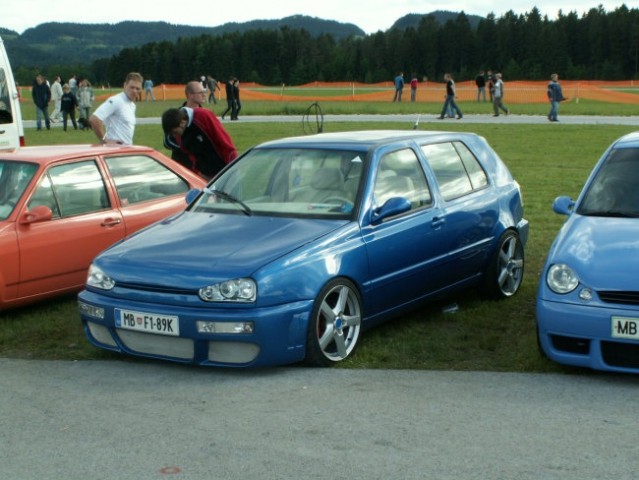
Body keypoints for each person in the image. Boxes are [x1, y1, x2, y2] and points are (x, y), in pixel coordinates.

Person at [161, 106, 238, 179]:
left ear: (182, 123)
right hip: (205, 175)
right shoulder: (179, 136)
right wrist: (197, 173)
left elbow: (224, 141)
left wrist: (232, 167)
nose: (175, 136)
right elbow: (191, 155)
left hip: (226, 169)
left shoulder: (202, 116)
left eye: (175, 132)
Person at [89, 72, 143, 145]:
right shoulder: (116, 101)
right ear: (125, 85)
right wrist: (104, 140)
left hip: (126, 149)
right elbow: (94, 119)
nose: (134, 91)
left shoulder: (132, 105)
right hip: (115, 151)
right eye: (132, 87)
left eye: (137, 88)